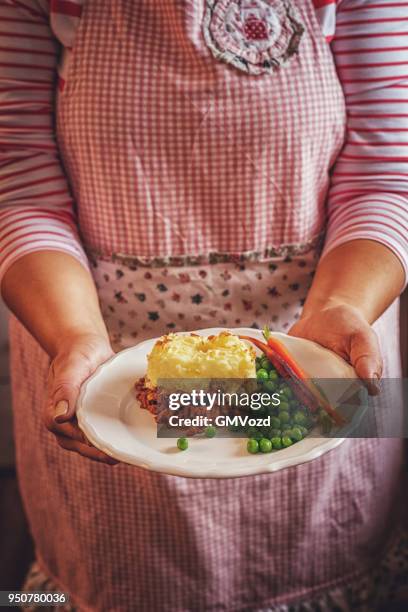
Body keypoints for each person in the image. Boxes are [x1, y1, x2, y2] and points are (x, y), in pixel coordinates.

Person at [0, 0, 407, 610]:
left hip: (328, 342)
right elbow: (18, 180)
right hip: (97, 353)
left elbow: (387, 171)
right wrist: (73, 336)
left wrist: (347, 303)